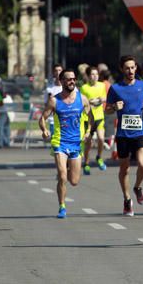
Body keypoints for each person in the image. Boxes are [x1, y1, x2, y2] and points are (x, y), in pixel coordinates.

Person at [39, 68, 94, 218]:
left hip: (76, 143)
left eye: (74, 79)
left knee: (74, 181)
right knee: (62, 176)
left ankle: (69, 166)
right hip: (60, 142)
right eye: (69, 79)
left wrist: (88, 132)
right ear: (62, 81)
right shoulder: (54, 100)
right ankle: (62, 206)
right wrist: (44, 130)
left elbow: (91, 118)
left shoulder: (82, 99)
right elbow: (42, 118)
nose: (72, 82)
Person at [105, 55, 143, 217]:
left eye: (133, 67)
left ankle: (138, 187)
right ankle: (127, 199)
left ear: (136, 68)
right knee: (124, 168)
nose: (130, 71)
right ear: (122, 69)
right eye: (127, 68)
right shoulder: (116, 88)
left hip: (140, 131)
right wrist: (114, 107)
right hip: (123, 134)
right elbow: (107, 110)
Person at [81, 66, 108, 174]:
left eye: (96, 74)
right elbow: (83, 101)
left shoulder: (102, 86)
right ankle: (86, 163)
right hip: (88, 119)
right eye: (92, 74)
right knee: (88, 143)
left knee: (101, 139)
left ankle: (99, 157)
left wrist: (101, 99)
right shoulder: (84, 87)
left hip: (99, 116)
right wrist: (90, 101)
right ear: (88, 76)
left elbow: (105, 98)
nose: (95, 76)